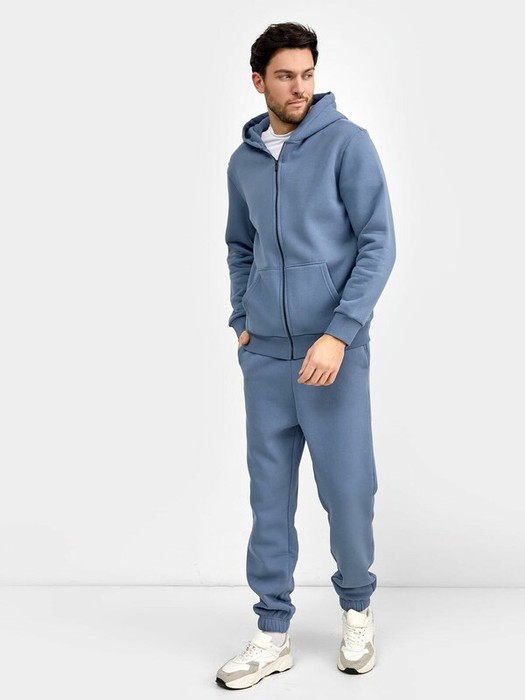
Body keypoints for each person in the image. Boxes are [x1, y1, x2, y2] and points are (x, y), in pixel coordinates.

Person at [216, 22, 396, 690]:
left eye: (308, 74)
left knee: (348, 493)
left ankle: (357, 610)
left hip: (332, 357)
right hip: (265, 359)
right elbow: (239, 246)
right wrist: (243, 318)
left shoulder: (348, 145)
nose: (300, 87)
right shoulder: (242, 162)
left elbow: (378, 242)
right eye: (285, 76)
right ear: (258, 81)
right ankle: (272, 632)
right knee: (268, 500)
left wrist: (339, 332)